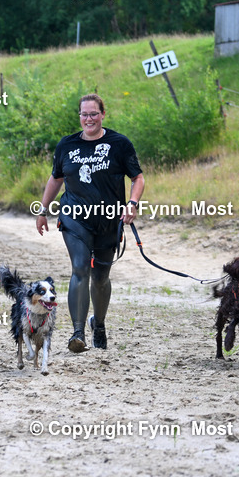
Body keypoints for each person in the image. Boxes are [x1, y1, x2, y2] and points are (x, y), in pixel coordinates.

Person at [34, 93, 144, 352]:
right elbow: (56, 178)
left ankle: (100, 323)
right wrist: (42, 210)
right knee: (80, 268)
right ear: (79, 116)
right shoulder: (67, 145)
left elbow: (137, 178)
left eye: (94, 113)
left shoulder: (119, 143)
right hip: (75, 217)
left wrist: (133, 203)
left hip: (108, 219)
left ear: (103, 114)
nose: (89, 118)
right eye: (84, 114)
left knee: (101, 278)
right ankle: (78, 332)